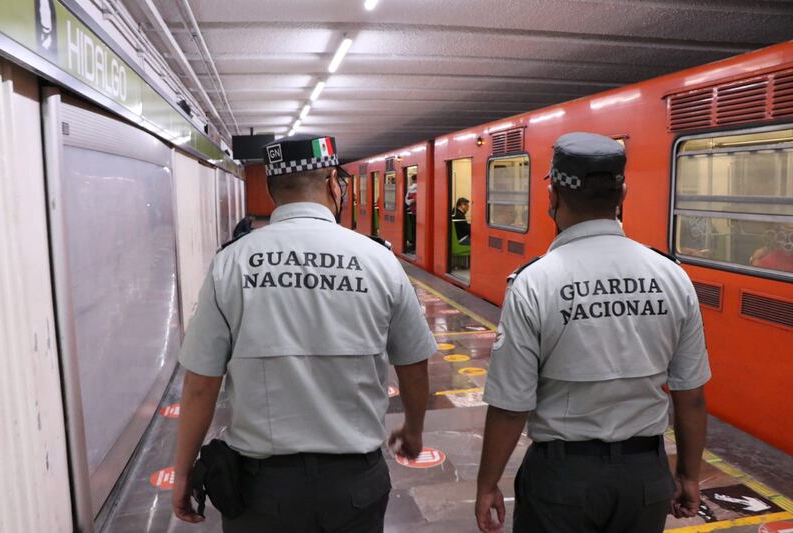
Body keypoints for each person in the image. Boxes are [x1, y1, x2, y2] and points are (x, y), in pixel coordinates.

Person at [172, 134, 437, 532]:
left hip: (260, 489)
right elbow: (413, 365)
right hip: (354, 484)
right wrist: (413, 430)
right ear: (333, 183)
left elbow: (200, 385)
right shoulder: (378, 260)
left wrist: (181, 473)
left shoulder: (231, 263)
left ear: (272, 190)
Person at [475, 132, 711, 533]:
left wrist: (487, 484)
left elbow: (512, 404)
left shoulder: (535, 282)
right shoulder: (671, 276)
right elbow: (691, 398)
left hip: (561, 481)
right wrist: (687, 474)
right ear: (622, 196)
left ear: (553, 198)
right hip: (645, 478)